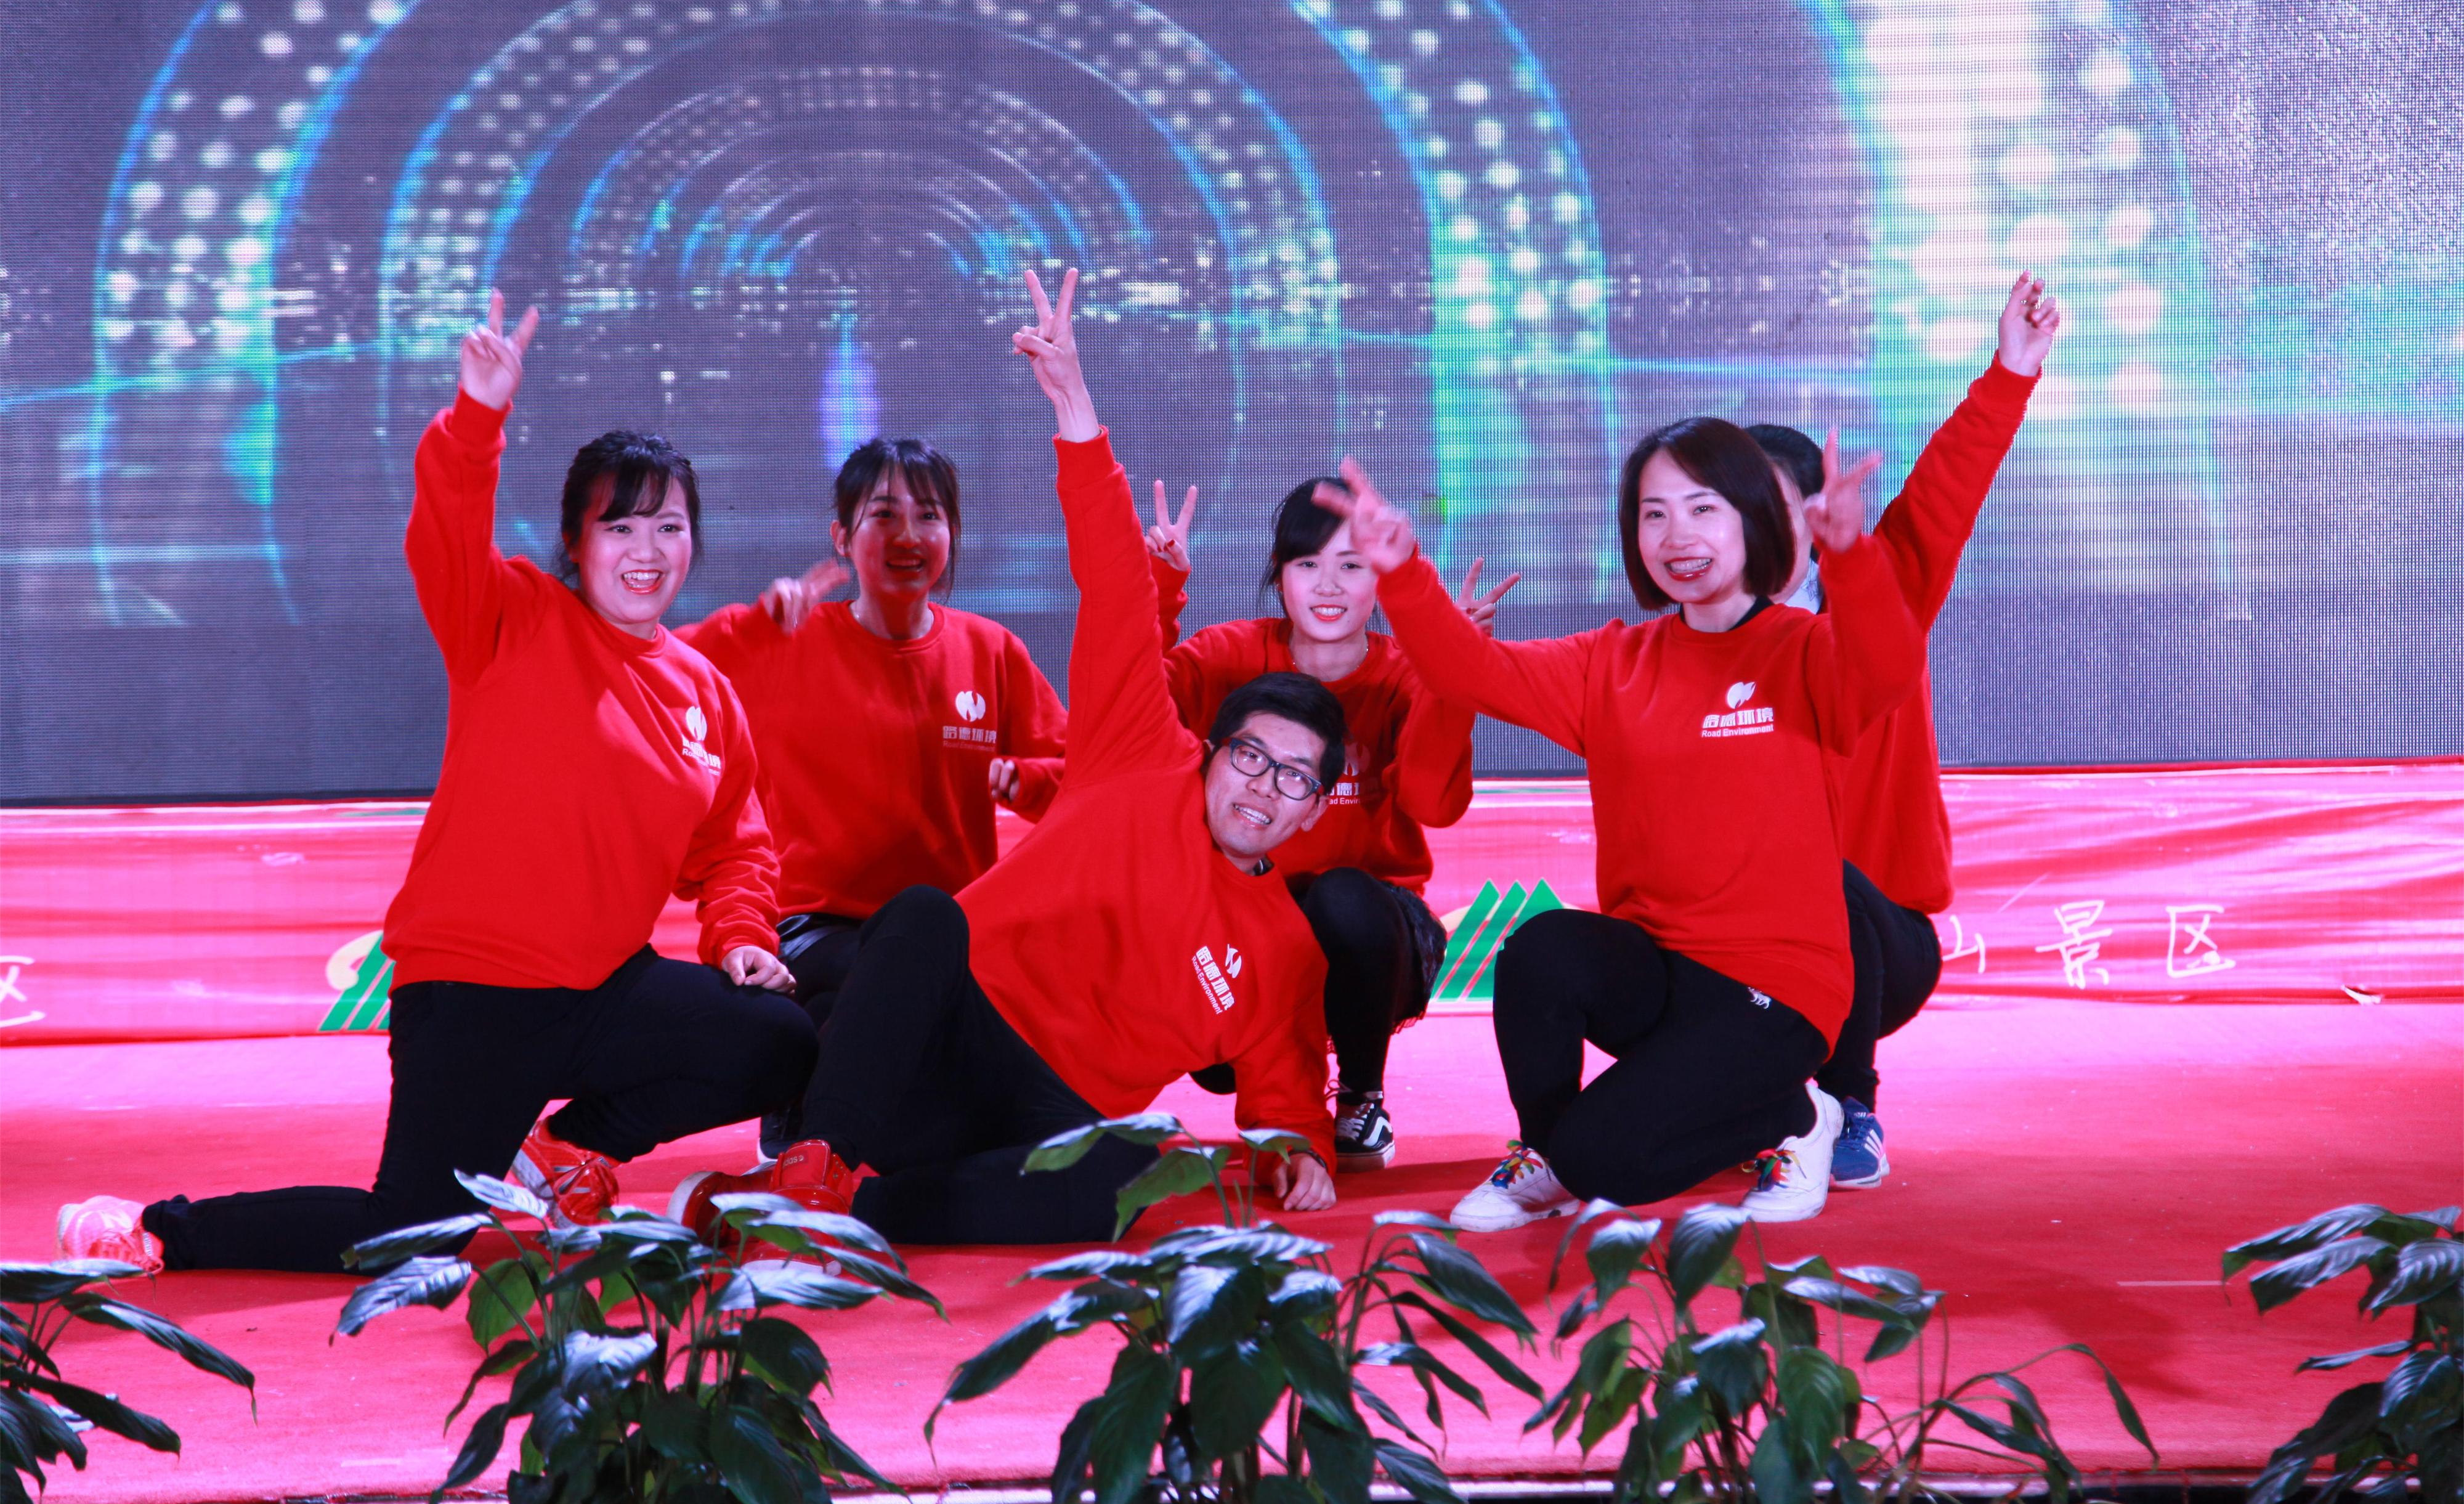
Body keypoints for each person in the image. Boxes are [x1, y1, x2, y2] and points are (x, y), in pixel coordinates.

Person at [57, 291, 815, 1274]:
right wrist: (478, 413)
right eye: (620, 526)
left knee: (776, 1039)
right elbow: (446, 529)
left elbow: (737, 846)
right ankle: (156, 1228)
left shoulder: (704, 688)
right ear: (576, 543)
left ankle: (567, 1154)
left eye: (668, 527)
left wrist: (744, 938)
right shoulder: (511, 618)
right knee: (412, 1235)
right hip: (474, 993)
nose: (647, 551)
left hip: (607, 988)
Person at [695, 269, 1344, 1245]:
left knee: (1134, 1182)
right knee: (921, 917)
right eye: (1252, 757)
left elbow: (1286, 1100)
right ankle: (815, 1167)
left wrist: (1303, 1152)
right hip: (949, 1021)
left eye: (1294, 778)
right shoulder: (1140, 753)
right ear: (1211, 750)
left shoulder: (1285, 950)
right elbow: (1115, 586)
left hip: (1051, 1110)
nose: (1265, 787)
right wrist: (1074, 405)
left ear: (1315, 808)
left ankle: (830, 1211)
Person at [1322, 413, 1921, 1229]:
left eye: (1703, 508)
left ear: (1754, 517)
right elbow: (1472, 670)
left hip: (1776, 991)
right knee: (1542, 950)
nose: (1677, 535)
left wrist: (1849, 556)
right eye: (1654, 513)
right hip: (1659, 969)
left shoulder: (1804, 651)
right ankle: (1546, 1155)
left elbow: (1886, 667)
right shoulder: (1614, 663)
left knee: (1608, 1163)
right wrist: (1402, 572)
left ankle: (1798, 1114)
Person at [1747, 271, 2060, 1189]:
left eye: (1777, 510)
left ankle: (1851, 1105)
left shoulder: (1879, 602)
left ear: (1820, 517)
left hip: (1874, 942)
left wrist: (2010, 371)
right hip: (1744, 945)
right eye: (1727, 509)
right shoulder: (1687, 644)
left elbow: (1946, 490)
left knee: (1828, 883)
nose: (1751, 532)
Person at [678, 435, 1068, 1157]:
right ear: (841, 537)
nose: (908, 535)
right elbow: (658, 672)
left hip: (949, 931)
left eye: (929, 516)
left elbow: (1079, 780)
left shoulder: (991, 650)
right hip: (812, 927)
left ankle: (823, 1123)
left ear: (952, 533)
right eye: (884, 515)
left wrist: (1029, 778)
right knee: (871, 992)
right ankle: (811, 1125)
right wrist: (754, 628)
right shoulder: (787, 639)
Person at [1134, 478, 1518, 1169]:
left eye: (1352, 564)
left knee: (1341, 894)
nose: (1329, 585)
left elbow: (1434, 804)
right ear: (1279, 575)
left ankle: (1361, 1098)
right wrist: (1159, 591)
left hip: (1377, 938)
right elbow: (1128, 708)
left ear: (1382, 579)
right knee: (1216, 1064)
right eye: (1307, 563)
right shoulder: (1226, 656)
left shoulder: (1403, 675)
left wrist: (1449, 673)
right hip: (1243, 921)